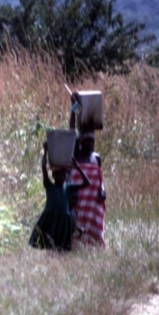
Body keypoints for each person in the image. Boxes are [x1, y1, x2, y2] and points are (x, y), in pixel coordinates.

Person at [29, 143, 90, 251]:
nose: (61, 177)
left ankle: (57, 262)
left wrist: (77, 167)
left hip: (63, 219)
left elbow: (87, 183)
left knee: (61, 247)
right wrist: (46, 151)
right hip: (50, 218)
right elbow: (43, 168)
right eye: (58, 174)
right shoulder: (49, 185)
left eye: (64, 175)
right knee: (47, 244)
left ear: (67, 176)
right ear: (53, 175)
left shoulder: (68, 187)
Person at [68, 91, 107, 246]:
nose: (90, 144)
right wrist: (73, 107)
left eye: (92, 141)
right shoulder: (76, 153)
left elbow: (100, 178)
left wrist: (102, 190)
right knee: (76, 221)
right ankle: (77, 243)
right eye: (87, 141)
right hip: (79, 197)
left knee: (94, 220)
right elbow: (72, 129)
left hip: (93, 200)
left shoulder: (96, 157)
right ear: (81, 142)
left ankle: (93, 244)